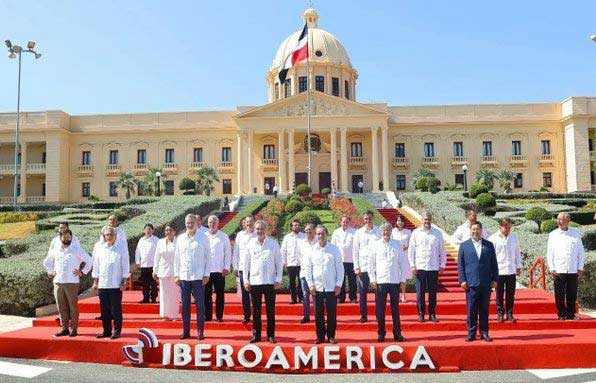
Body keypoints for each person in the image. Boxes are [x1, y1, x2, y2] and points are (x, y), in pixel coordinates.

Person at [43, 229, 92, 337]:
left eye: (68, 237)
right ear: (60, 238)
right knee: (61, 307)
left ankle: (74, 328)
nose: (66, 239)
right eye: (64, 237)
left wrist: (82, 272)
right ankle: (64, 328)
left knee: (73, 307)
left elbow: (89, 260)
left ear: (71, 237)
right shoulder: (55, 250)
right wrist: (50, 272)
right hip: (58, 282)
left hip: (72, 282)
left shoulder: (76, 249)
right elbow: (47, 262)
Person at [458, 221, 499, 342]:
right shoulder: (464, 246)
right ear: (470, 231)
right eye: (473, 229)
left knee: (484, 309)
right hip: (470, 283)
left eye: (477, 229)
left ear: (481, 230)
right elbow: (460, 265)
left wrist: (495, 279)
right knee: (471, 310)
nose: (475, 231)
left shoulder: (489, 245)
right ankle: (471, 333)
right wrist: (462, 280)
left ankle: (484, 332)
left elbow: (494, 264)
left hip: (486, 283)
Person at [244, 220, 283, 343]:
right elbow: (245, 264)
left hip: (270, 282)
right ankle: (256, 335)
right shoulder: (250, 244)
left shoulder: (273, 244)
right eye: (257, 229)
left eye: (261, 229)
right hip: (255, 282)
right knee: (256, 311)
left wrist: (278, 279)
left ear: (266, 230)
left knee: (270, 311)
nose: (259, 231)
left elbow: (279, 263)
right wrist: (246, 280)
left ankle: (271, 335)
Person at [369, 223, 410, 342]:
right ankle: (381, 333)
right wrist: (372, 279)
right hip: (381, 281)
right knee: (380, 310)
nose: (385, 233)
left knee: (395, 309)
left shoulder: (397, 244)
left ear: (391, 232)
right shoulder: (375, 245)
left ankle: (397, 333)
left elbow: (402, 263)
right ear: (380, 232)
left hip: (394, 281)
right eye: (383, 231)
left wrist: (402, 280)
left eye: (387, 230)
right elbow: (371, 264)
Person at [174, 214, 211, 340]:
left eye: (191, 222)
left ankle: (200, 331)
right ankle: (186, 331)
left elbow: (208, 258)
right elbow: (177, 258)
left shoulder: (203, 238)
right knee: (185, 305)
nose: (189, 225)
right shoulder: (180, 239)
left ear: (196, 222)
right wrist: (176, 274)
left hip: (198, 277)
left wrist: (206, 275)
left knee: (200, 305)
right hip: (184, 276)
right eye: (187, 223)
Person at [305, 225, 344, 344]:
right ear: (315, 235)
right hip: (317, 287)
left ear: (327, 234)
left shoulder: (334, 249)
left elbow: (340, 268)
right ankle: (320, 337)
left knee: (332, 313)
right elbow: (308, 269)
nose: (320, 236)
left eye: (322, 233)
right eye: (318, 234)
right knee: (318, 314)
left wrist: (338, 284)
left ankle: (331, 336)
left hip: (331, 287)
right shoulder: (311, 250)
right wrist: (310, 285)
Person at [92, 226, 130, 339]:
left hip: (115, 285)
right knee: (104, 310)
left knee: (116, 309)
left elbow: (125, 265)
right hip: (103, 284)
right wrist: (95, 281)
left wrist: (125, 280)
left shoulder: (121, 248)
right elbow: (96, 266)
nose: (109, 237)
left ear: (115, 236)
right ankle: (106, 331)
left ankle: (117, 331)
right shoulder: (100, 249)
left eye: (111, 235)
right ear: (104, 236)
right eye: (107, 235)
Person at [408, 212, 446, 323]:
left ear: (431, 219)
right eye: (425, 219)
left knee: (433, 292)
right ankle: (421, 314)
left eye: (428, 219)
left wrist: (442, 264)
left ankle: (432, 314)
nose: (427, 221)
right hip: (420, 267)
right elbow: (411, 251)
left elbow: (442, 250)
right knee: (420, 293)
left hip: (433, 267)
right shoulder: (416, 233)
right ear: (421, 220)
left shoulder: (437, 233)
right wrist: (412, 265)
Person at [546, 212, 585, 321]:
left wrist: (580, 267)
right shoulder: (553, 234)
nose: (559, 221)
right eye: (558, 219)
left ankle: (571, 314)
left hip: (573, 268)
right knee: (559, 293)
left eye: (561, 219)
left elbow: (581, 252)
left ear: (567, 221)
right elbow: (550, 252)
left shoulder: (575, 233)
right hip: (559, 268)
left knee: (572, 293)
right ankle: (561, 314)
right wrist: (551, 268)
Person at [488, 218, 522, 322]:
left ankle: (510, 313)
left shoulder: (514, 237)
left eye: (509, 227)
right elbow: (490, 256)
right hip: (499, 270)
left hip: (511, 269)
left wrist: (518, 266)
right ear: (500, 227)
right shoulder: (493, 238)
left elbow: (517, 252)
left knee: (510, 293)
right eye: (505, 226)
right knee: (499, 293)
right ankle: (500, 313)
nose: (507, 229)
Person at [353, 210, 381, 322]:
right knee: (363, 293)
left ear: (373, 218)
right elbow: (355, 251)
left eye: (369, 218)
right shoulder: (359, 233)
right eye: (365, 219)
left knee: (378, 293)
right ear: (363, 219)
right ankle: (363, 315)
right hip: (363, 266)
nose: (367, 221)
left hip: (377, 267)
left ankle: (379, 314)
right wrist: (356, 267)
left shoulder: (379, 231)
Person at [204, 215, 232, 322]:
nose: (212, 224)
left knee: (220, 294)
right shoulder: (204, 236)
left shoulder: (223, 236)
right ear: (208, 223)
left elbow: (228, 253)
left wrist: (226, 267)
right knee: (206, 294)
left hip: (219, 270)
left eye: (214, 222)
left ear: (218, 223)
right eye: (210, 222)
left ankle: (219, 316)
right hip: (206, 271)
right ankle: (208, 315)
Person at [232, 215, 257, 323]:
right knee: (245, 294)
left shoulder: (258, 234)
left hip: (256, 269)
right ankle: (246, 315)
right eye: (247, 222)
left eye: (251, 221)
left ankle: (256, 315)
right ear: (244, 223)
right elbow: (236, 253)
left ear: (254, 222)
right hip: (243, 268)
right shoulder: (240, 235)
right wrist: (235, 267)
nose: (249, 223)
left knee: (255, 293)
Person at [153, 223, 179, 321]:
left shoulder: (178, 242)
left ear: (174, 231)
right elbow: (157, 257)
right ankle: (164, 314)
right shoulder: (160, 242)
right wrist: (154, 270)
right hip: (163, 270)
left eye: (170, 230)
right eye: (167, 230)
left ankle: (174, 315)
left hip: (175, 271)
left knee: (174, 293)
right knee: (164, 294)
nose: (168, 232)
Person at [331, 216, 357, 304]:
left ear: (349, 222)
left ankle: (353, 297)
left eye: (346, 222)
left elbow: (357, 246)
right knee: (340, 280)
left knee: (352, 280)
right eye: (343, 222)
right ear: (340, 222)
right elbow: (332, 246)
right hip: (339, 260)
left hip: (351, 260)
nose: (345, 223)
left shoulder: (354, 232)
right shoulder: (336, 232)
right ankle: (340, 297)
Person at [281, 220, 305, 304]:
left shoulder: (304, 236)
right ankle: (293, 298)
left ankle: (301, 298)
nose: (296, 227)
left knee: (301, 282)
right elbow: (283, 250)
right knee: (292, 282)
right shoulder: (287, 237)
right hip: (290, 263)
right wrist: (283, 262)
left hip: (301, 263)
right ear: (291, 227)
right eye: (294, 225)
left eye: (298, 225)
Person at [135, 224, 159, 303]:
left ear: (153, 230)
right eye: (147, 229)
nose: (148, 231)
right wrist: (137, 262)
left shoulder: (156, 240)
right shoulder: (141, 240)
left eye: (150, 229)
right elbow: (137, 252)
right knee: (145, 283)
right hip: (144, 265)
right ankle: (145, 298)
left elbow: (159, 253)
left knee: (153, 283)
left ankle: (153, 298)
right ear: (144, 230)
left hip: (153, 265)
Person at [299, 223, 318, 323]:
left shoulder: (318, 241)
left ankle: (318, 316)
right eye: (306, 230)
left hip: (316, 274)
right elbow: (300, 257)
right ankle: (306, 316)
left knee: (316, 295)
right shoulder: (302, 243)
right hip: (304, 273)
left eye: (310, 230)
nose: (308, 232)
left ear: (314, 230)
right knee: (305, 295)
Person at [391, 215, 411, 303]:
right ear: (396, 222)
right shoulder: (392, 232)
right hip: (394, 256)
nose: (400, 222)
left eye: (401, 221)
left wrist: (408, 247)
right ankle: (396, 295)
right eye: (398, 220)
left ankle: (403, 294)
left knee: (403, 276)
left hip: (405, 256)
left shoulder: (408, 232)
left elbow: (412, 244)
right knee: (395, 275)